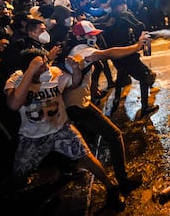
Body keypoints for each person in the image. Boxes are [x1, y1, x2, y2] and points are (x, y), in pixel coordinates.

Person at [4, 48, 125, 210]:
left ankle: (112, 188)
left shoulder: (54, 73)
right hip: (33, 137)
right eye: (41, 65)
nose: (46, 68)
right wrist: (31, 71)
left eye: (46, 63)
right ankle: (15, 199)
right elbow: (13, 104)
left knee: (86, 156)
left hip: (61, 129)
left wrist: (75, 69)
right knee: (19, 171)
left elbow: (74, 82)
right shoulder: (16, 79)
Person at [63, 20, 149, 195]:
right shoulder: (82, 50)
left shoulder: (78, 50)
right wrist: (137, 46)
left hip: (79, 102)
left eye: (94, 35)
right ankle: (122, 182)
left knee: (84, 144)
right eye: (89, 36)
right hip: (77, 105)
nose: (93, 39)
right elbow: (109, 53)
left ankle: (72, 168)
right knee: (114, 135)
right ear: (78, 37)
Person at [102, 0, 157, 117]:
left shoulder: (108, 18)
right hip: (127, 53)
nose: (124, 6)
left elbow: (99, 24)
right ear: (118, 6)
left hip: (115, 55)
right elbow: (140, 26)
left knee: (121, 73)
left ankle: (116, 99)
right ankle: (145, 107)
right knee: (144, 76)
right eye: (123, 4)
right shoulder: (125, 15)